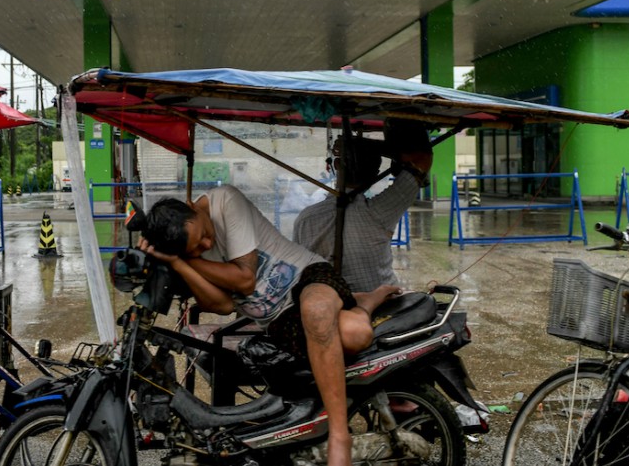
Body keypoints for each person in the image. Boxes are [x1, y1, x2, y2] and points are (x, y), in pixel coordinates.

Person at [139, 185, 399, 466]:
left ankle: (338, 435)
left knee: (315, 310)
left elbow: (244, 280)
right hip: (280, 319)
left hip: (308, 278)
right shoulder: (186, 250)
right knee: (355, 334)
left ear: (193, 206)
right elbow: (224, 305)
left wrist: (187, 260)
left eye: (203, 235)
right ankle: (365, 302)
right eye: (196, 250)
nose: (206, 246)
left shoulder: (225, 201)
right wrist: (179, 265)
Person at [293, 125, 433, 293]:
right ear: (375, 173)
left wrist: (357, 145)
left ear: (337, 165)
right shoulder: (378, 211)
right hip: (383, 307)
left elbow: (297, 272)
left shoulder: (305, 218)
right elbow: (421, 159)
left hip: (327, 301)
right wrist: (373, 146)